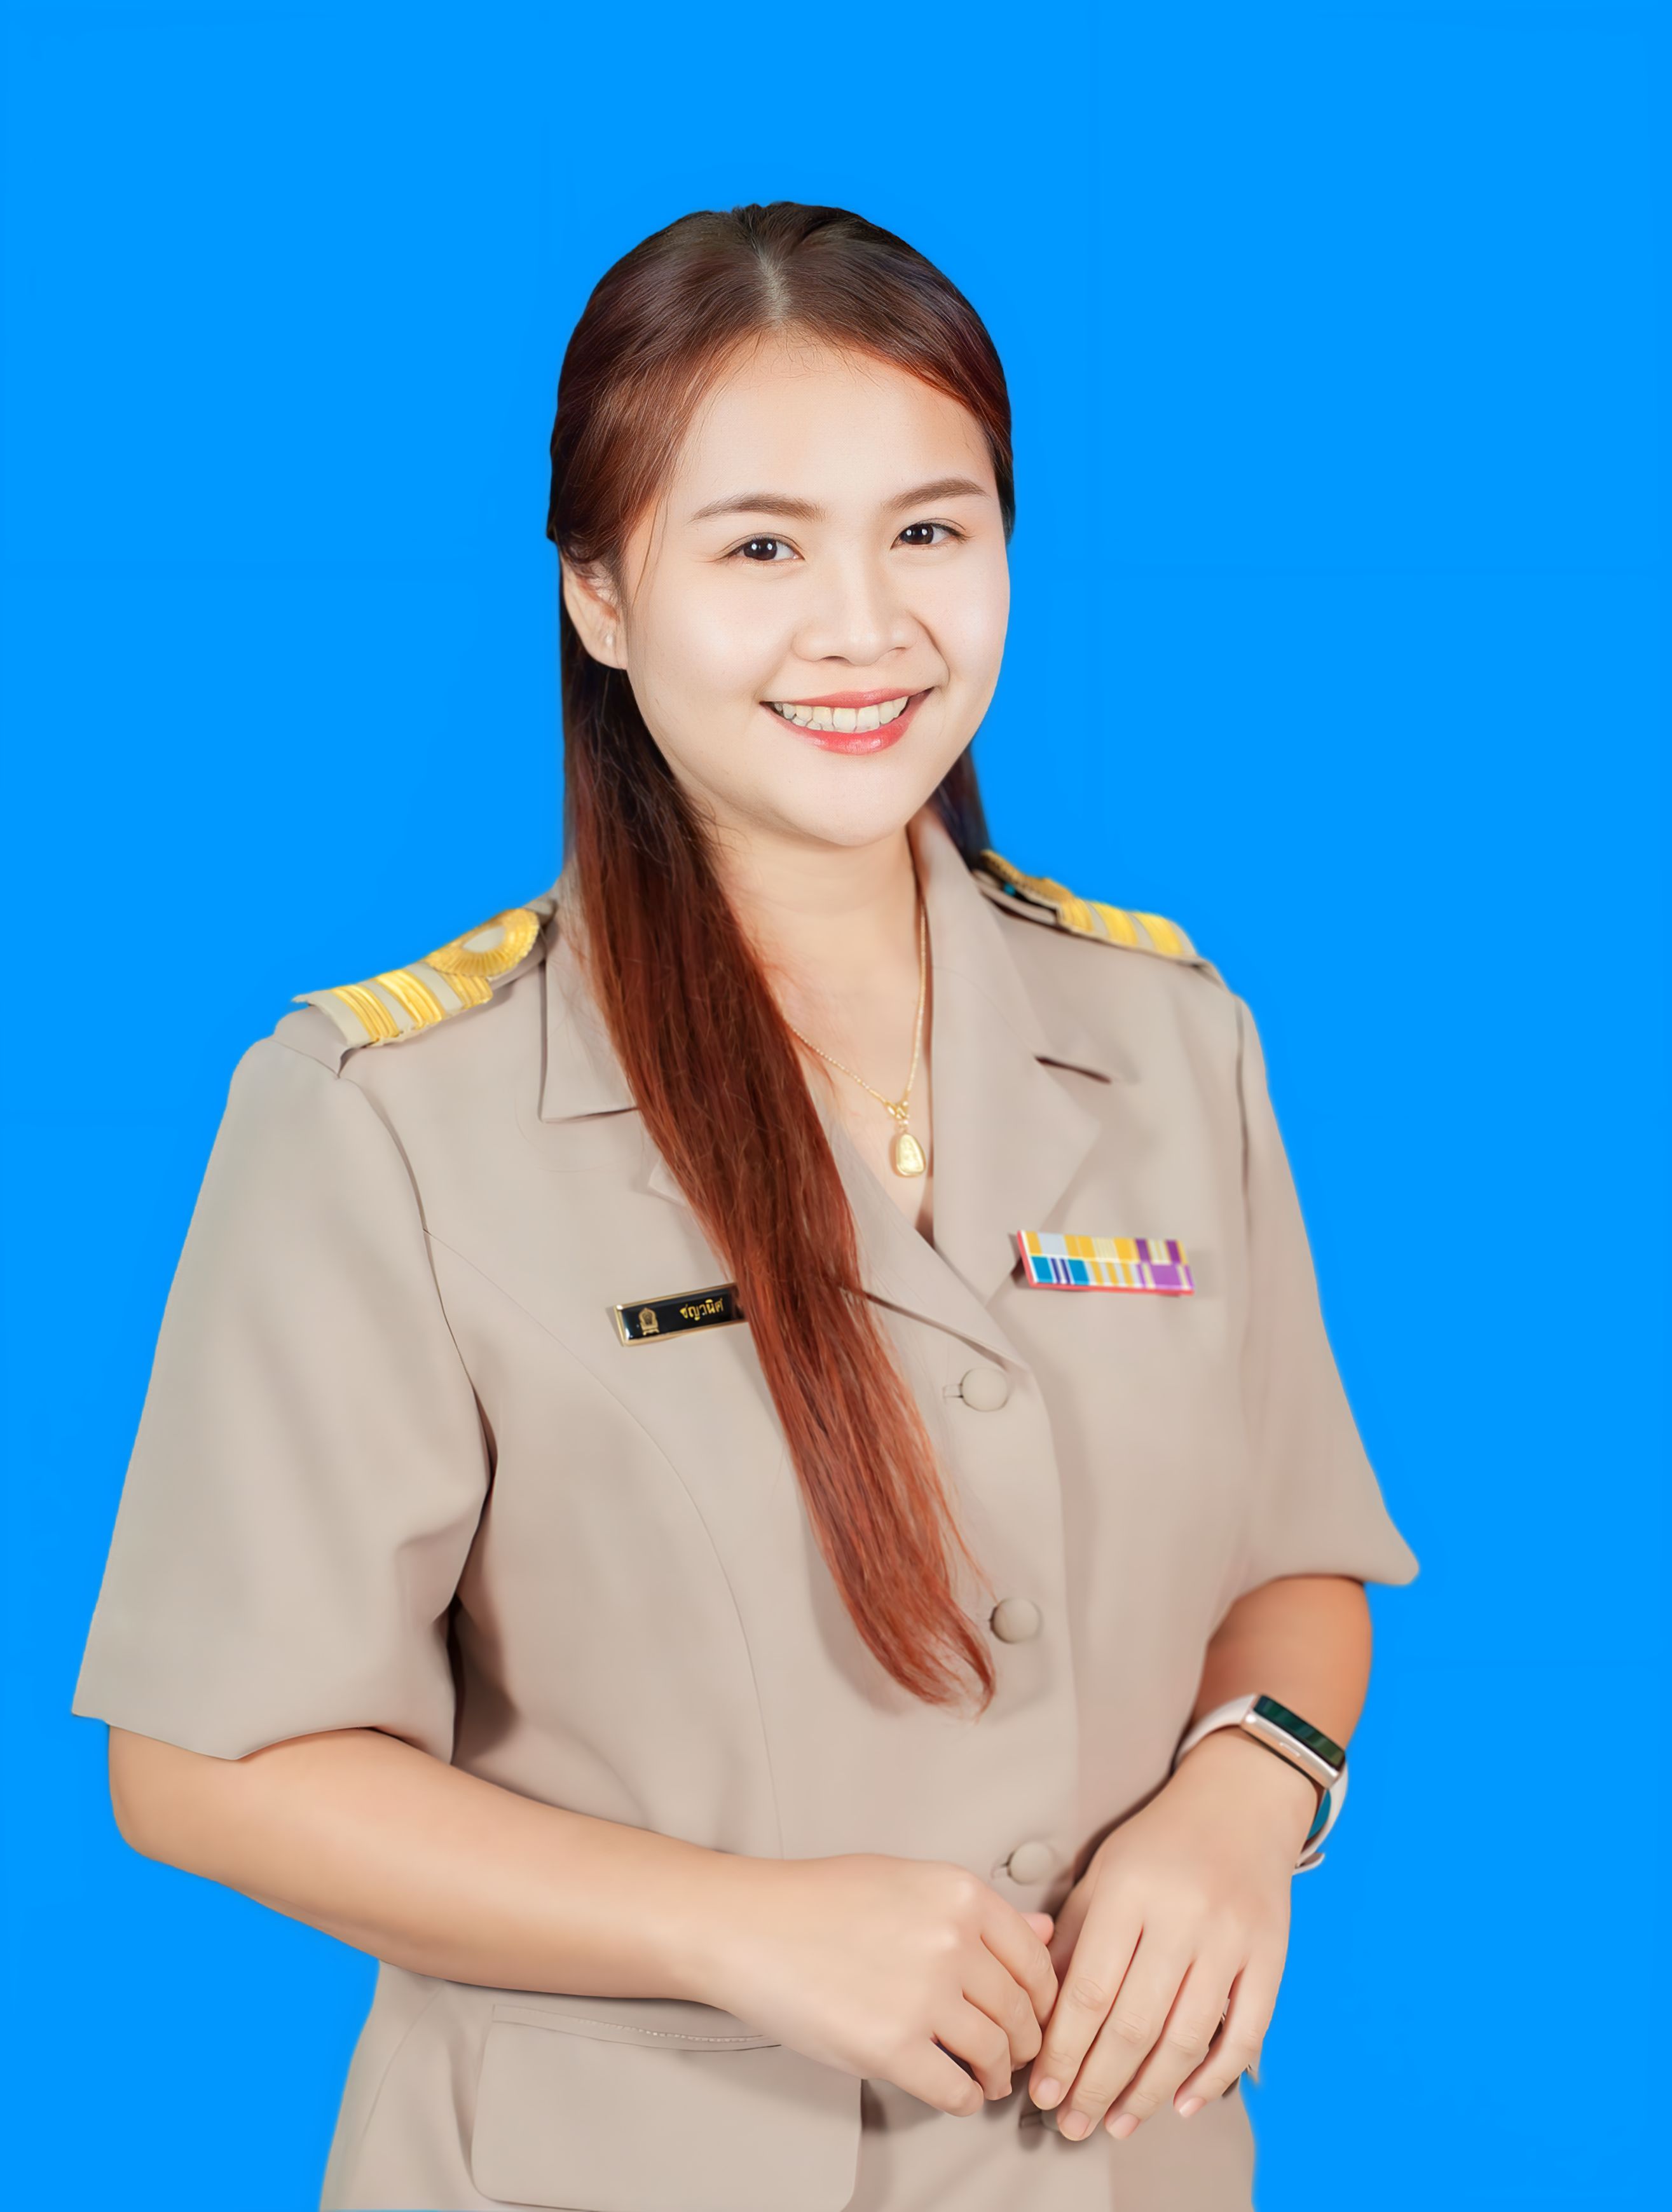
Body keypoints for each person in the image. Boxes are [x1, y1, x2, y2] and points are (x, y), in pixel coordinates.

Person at [73, 201, 1419, 2212]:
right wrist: (732, 1927)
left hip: (1117, 2168)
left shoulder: (1170, 1041)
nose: (865, 628)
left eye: (930, 531)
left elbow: (1298, 1560)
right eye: (761, 547)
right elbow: (209, 1763)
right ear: (602, 595)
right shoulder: (391, 1114)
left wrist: (1251, 1792)